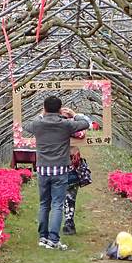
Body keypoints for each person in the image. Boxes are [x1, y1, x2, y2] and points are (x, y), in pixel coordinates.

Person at [23, 96, 90, 250]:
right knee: (57, 204)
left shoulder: (37, 125)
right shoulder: (66, 124)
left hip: (43, 169)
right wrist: (74, 114)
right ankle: (54, 239)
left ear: (44, 108)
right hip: (60, 169)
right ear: (60, 109)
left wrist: (41, 114)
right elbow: (86, 123)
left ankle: (43, 237)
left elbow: (25, 125)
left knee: (44, 204)